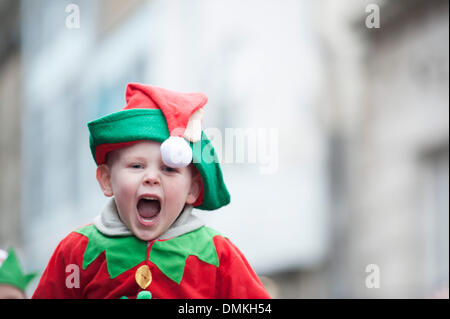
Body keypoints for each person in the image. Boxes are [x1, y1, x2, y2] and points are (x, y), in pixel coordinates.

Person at [32, 83, 270, 299]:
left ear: (193, 189)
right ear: (106, 180)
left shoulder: (217, 254)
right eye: (136, 166)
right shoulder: (77, 251)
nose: (152, 178)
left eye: (169, 169)